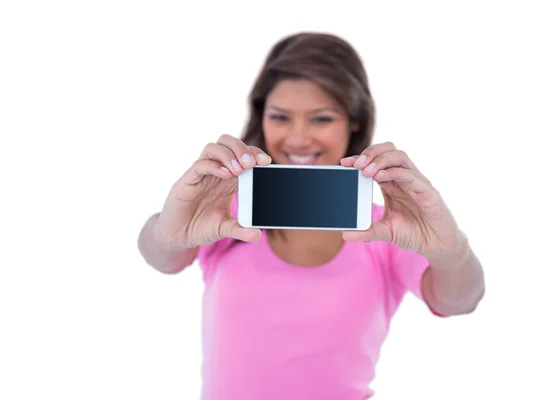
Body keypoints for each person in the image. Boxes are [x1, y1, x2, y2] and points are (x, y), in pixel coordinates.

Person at [137, 32, 485, 400]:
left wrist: (452, 249)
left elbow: (460, 300)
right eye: (280, 117)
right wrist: (165, 233)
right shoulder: (227, 215)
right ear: (262, 116)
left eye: (321, 118)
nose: (299, 138)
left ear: (353, 121)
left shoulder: (386, 228)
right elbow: (163, 258)